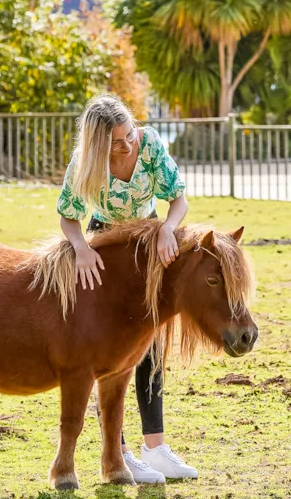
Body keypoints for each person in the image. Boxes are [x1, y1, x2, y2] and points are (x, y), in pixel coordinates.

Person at [55, 94, 197, 483]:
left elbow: (178, 198)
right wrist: (80, 247)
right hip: (104, 248)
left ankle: (156, 446)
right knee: (109, 355)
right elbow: (68, 217)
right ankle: (118, 452)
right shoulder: (85, 161)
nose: (128, 145)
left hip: (150, 242)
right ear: (100, 144)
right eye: (118, 142)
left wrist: (168, 228)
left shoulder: (148, 143)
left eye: (129, 135)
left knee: (149, 346)